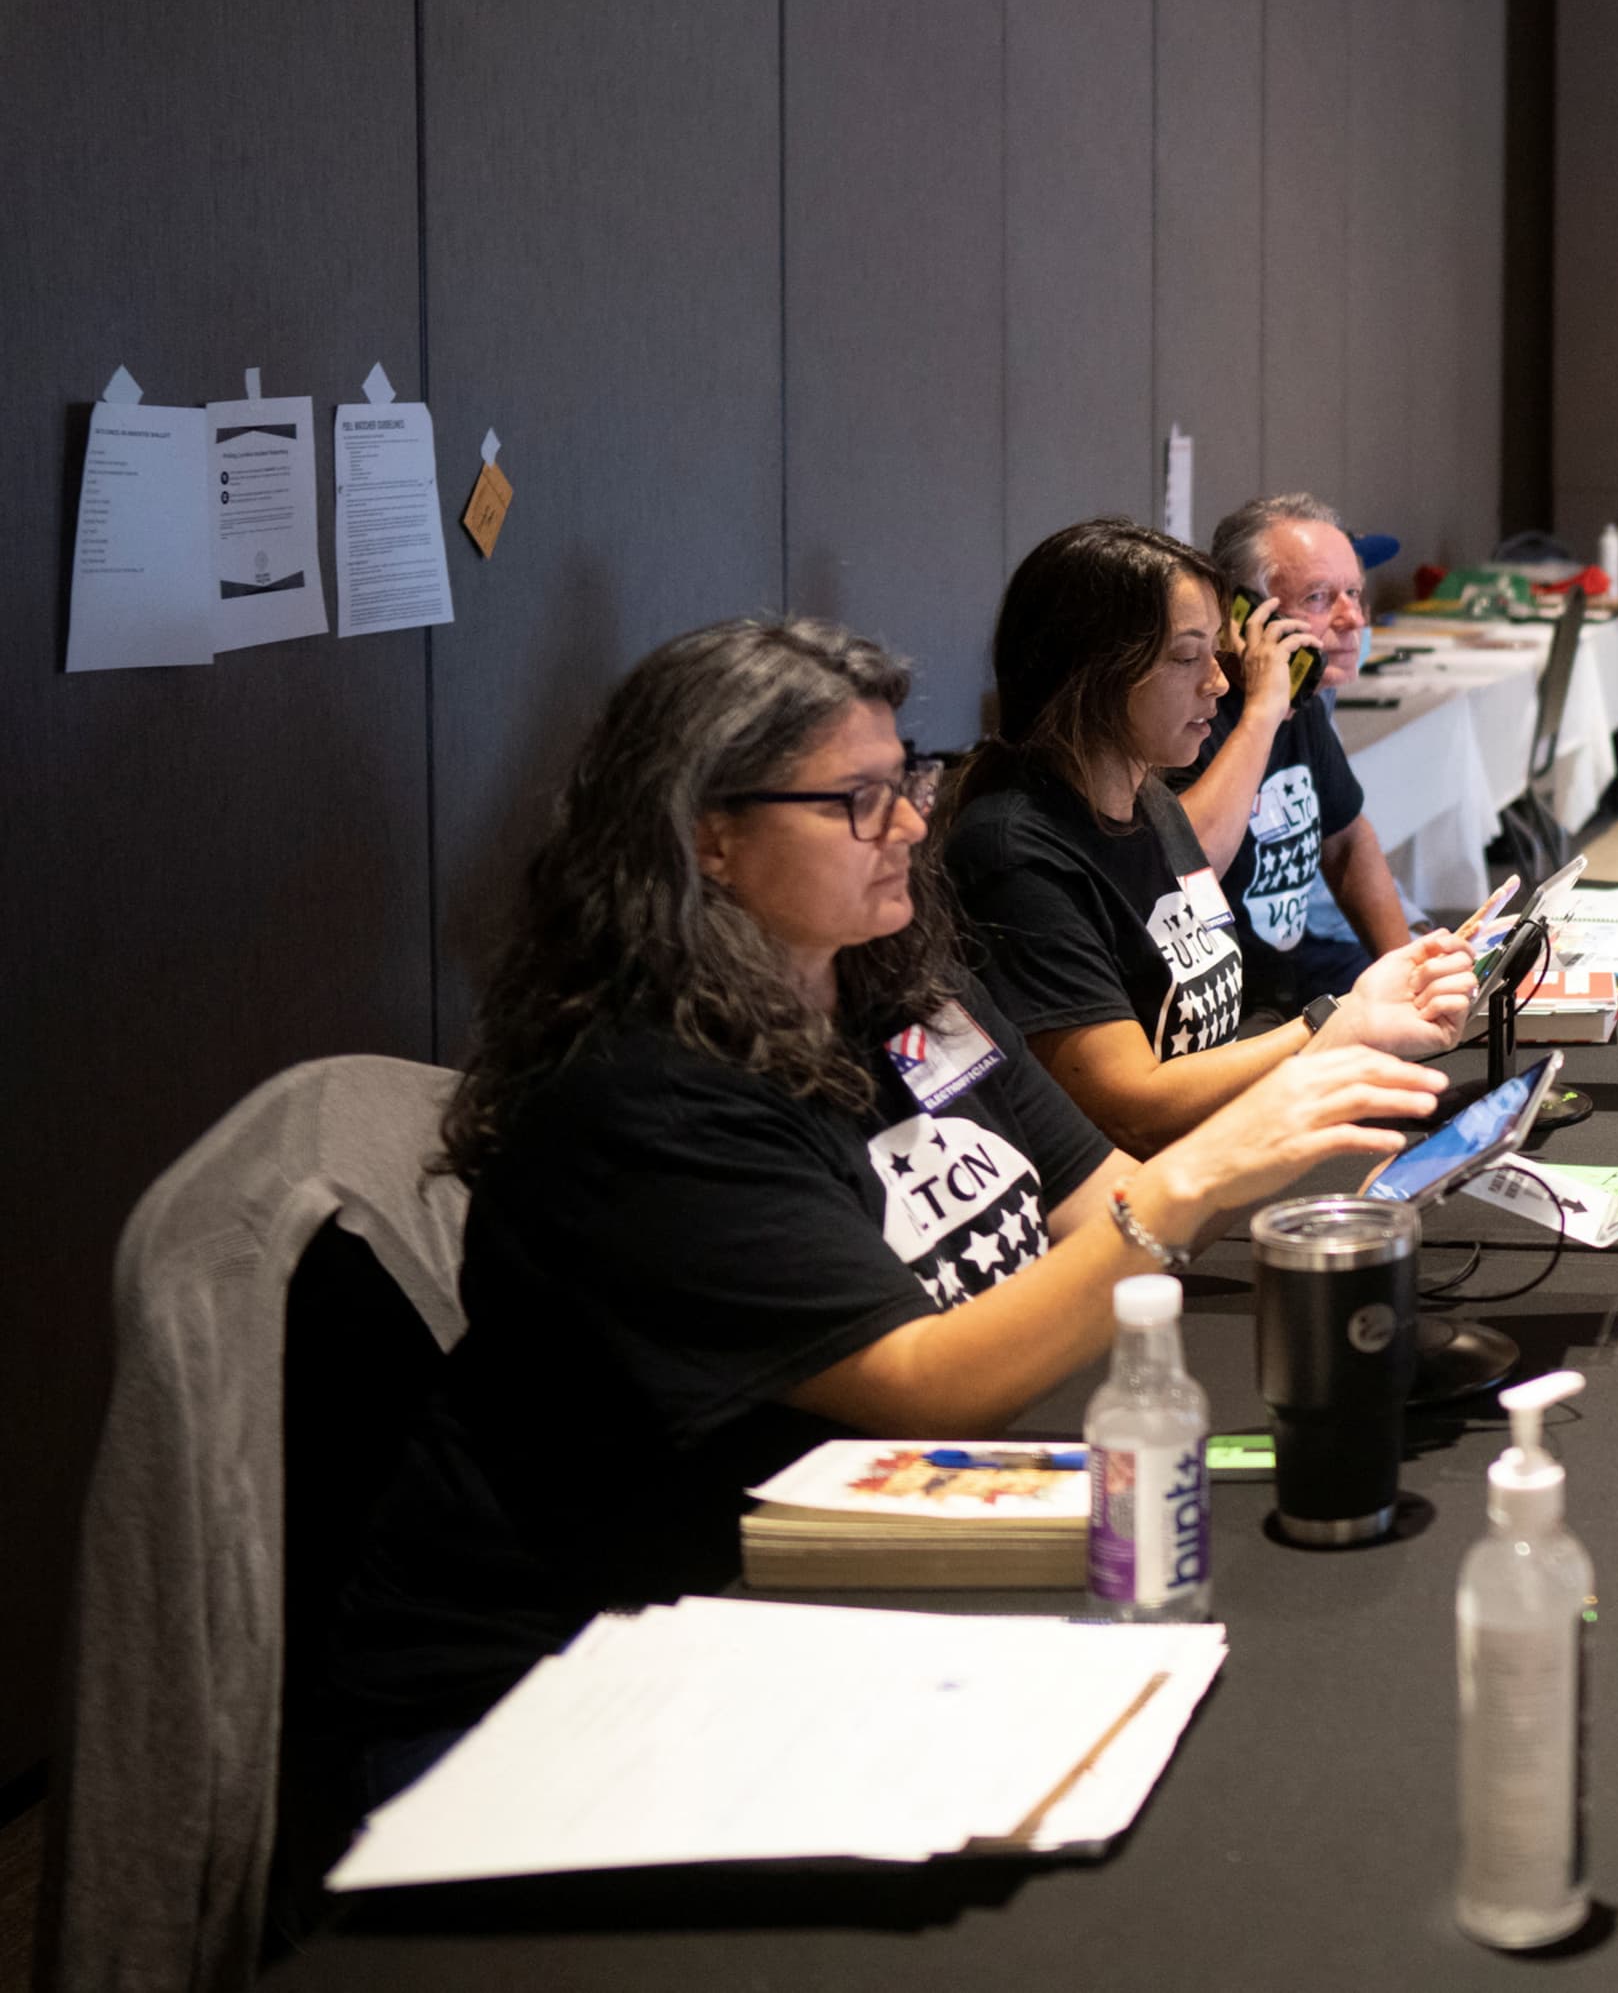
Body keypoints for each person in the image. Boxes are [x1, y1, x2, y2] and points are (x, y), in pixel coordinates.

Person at [332, 617, 1458, 1780]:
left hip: (820, 1582)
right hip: (566, 1692)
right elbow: (919, 1388)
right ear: (708, 838)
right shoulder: (644, 1100)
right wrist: (1217, 1165)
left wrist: (1289, 1109)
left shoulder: (906, 993)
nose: (914, 825)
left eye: (907, 781)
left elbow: (1107, 1204)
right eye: (857, 801)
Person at [943, 518, 1475, 1153]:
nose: (1219, 683)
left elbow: (1215, 1037)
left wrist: (1371, 1014)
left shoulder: (1153, 804)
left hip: (1235, 1141)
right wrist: (1335, 1026)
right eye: (1186, 657)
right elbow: (1131, 1111)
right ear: (1093, 673)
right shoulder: (1014, 854)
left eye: (1213, 655)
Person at [1181, 491, 1411, 1012]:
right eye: (1318, 598)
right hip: (1217, 1017)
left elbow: (1347, 839)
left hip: (1281, 985)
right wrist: (1263, 712)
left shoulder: (1301, 707)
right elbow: (1185, 870)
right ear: (1240, 615)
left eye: (1355, 593)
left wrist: (1407, 974)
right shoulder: (1190, 717)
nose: (1352, 618)